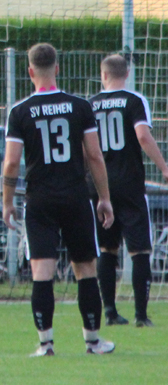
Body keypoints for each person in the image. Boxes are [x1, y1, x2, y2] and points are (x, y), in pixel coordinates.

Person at [2, 43, 115, 356]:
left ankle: (45, 344)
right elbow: (94, 154)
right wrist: (104, 197)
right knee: (86, 268)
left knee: (42, 271)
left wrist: (7, 201)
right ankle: (93, 341)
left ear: (29, 72)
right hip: (76, 198)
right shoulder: (80, 106)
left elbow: (11, 163)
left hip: (39, 201)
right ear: (58, 69)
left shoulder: (20, 111)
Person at [89, 54, 168, 328]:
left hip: (99, 185)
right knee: (140, 249)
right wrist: (164, 167)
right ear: (127, 73)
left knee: (106, 248)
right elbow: (143, 136)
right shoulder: (134, 100)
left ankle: (110, 312)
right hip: (129, 183)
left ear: (103, 74)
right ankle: (140, 315)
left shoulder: (90, 104)